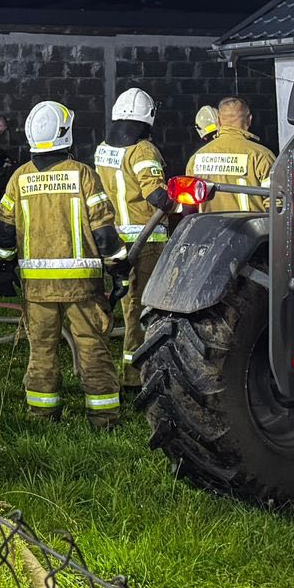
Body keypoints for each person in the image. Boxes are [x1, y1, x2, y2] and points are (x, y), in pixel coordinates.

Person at [0, 100, 125, 425]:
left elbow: (5, 230)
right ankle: (104, 416)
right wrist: (118, 271)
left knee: (41, 350)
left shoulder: (19, 179)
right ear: (66, 133)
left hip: (37, 288)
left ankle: (41, 414)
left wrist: (5, 270)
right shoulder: (83, 176)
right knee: (92, 347)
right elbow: (105, 233)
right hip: (82, 288)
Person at [94, 87, 171, 387]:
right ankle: (136, 376)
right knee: (143, 310)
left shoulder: (104, 149)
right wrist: (177, 198)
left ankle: (121, 369)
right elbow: (155, 194)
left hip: (114, 241)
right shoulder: (143, 150)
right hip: (146, 241)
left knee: (127, 305)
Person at [188, 95, 275, 213]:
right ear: (249, 119)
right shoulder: (261, 156)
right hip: (252, 230)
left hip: (208, 230)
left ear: (218, 121)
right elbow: (276, 203)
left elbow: (188, 207)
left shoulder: (196, 159)